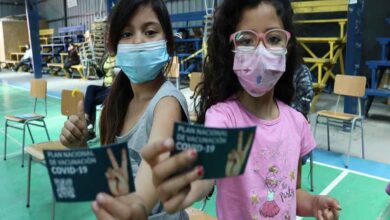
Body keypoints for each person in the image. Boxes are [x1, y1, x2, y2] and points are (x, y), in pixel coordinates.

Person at [142, 0, 341, 219]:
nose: (261, 51)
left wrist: (313, 204)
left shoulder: (297, 123)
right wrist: (188, 185)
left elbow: (292, 192)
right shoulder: (224, 118)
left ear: (287, 46)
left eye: (273, 39)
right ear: (231, 50)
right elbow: (207, 174)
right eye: (246, 40)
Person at [59, 0, 189, 219]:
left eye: (149, 32)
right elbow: (109, 179)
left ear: (168, 43)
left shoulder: (167, 104)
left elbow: (152, 169)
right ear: (114, 46)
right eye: (126, 34)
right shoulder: (117, 102)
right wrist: (79, 146)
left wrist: (133, 207)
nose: (138, 41)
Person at [84, 52, 116, 141]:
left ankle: (90, 131)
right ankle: (86, 118)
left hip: (115, 88)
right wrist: (96, 67)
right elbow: (101, 75)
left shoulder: (120, 55)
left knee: (89, 101)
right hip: (105, 87)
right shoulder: (106, 56)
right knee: (90, 88)